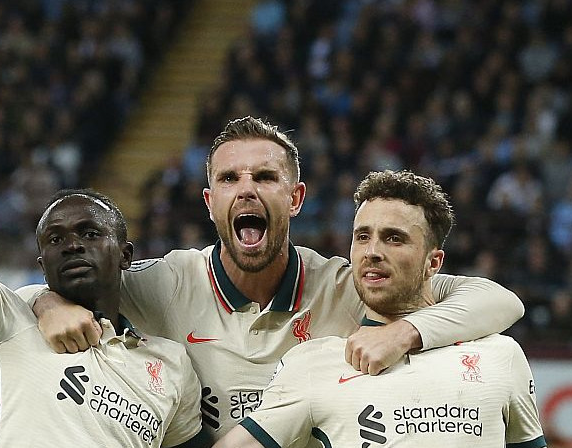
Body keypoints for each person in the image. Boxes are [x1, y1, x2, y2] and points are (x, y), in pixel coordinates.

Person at [24, 116, 525, 441]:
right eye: (229, 179)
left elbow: (496, 300)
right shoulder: (165, 282)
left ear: (296, 198)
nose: (246, 191)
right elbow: (49, 287)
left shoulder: (346, 285)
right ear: (209, 202)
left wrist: (407, 331)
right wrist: (48, 302)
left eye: (264, 178)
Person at [0, 1, 209, 446]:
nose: (72, 244)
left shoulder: (171, 364)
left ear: (126, 255)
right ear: (42, 263)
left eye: (90, 233)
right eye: (56, 239)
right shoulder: (5, 321)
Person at [214, 170, 546, 448]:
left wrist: (406, 334)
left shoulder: (501, 355)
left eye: (394, 238)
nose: (372, 251)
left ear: (434, 263)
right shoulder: (313, 363)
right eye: (362, 236)